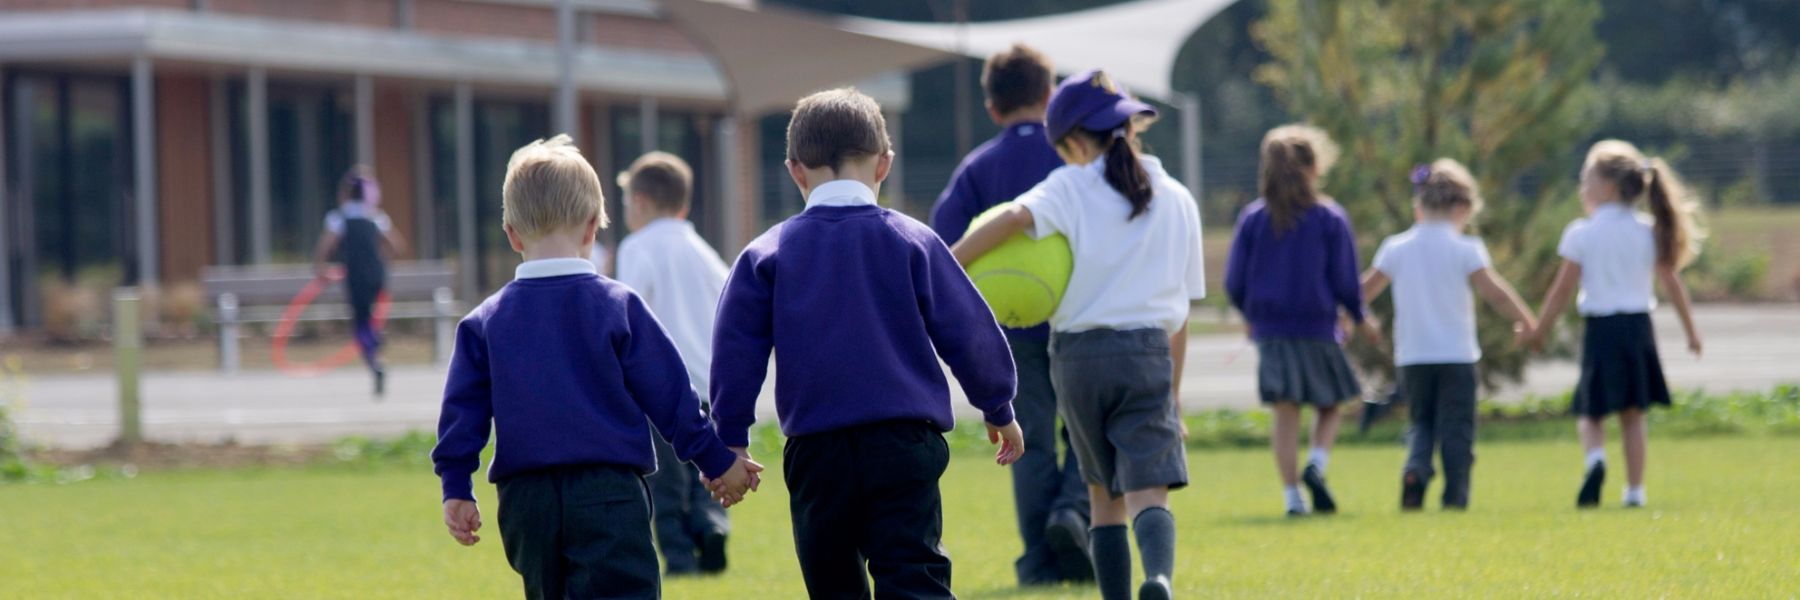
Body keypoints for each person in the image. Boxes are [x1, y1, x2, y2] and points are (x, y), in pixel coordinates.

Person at [709, 88, 1024, 600]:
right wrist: (997, 403)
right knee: (913, 573)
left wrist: (732, 438)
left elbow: (735, 348)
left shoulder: (767, 253)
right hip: (904, 443)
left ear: (795, 171)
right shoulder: (913, 241)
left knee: (832, 580)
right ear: (885, 165)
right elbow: (967, 327)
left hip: (817, 449)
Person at [430, 135, 760, 599]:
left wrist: (456, 486)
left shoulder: (484, 322)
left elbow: (461, 417)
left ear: (511, 233)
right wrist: (717, 460)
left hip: (526, 501)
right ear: (592, 229)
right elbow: (670, 396)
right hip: (607, 492)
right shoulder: (617, 306)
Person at [953, 69, 1205, 600]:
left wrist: (949, 265)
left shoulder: (1069, 184)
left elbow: (1011, 221)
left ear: (1069, 141)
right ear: (1128, 127)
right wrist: (1174, 397)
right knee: (1148, 489)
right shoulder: (1178, 197)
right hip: (1149, 354)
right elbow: (1180, 314)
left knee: (1101, 494)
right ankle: (1157, 578)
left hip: (1079, 356)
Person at [928, 43, 1093, 586]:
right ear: (1050, 98)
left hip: (1010, 329)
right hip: (1079, 318)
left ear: (992, 107)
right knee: (1094, 432)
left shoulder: (976, 167)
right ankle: (1074, 511)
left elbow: (940, 246)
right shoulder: (1074, 158)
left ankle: (1039, 563)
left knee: (1031, 440)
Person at [1520, 139, 1703, 509]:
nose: (1581, 188)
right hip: (1638, 330)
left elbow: (1560, 292)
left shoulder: (1581, 233)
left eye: (1586, 180)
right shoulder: (1648, 231)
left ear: (1606, 187)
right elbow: (1672, 284)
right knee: (1633, 417)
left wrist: (1539, 330)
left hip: (1600, 329)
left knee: (1590, 412)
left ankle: (1596, 459)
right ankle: (1634, 492)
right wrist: (1691, 332)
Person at [1360, 159, 1536, 511]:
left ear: (1419, 206)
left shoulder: (1396, 247)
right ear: (1462, 207)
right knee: (1456, 428)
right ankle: (1455, 496)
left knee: (1421, 422)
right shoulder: (1466, 249)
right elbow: (1495, 292)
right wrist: (1525, 320)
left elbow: (1361, 291)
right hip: (1457, 355)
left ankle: (1415, 470)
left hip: (1413, 357)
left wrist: (1358, 320)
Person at [1223, 124, 1377, 518]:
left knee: (1285, 412)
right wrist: (1360, 316)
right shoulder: (1329, 217)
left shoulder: (1253, 218)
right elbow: (1345, 278)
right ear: (1313, 167)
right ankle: (1318, 463)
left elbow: (1234, 281)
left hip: (1272, 331)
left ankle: (1293, 496)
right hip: (1318, 327)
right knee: (1332, 403)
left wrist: (1250, 315)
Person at [612, 151, 734, 576]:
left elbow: (627, 311)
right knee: (707, 473)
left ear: (641, 203)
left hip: (658, 390)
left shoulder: (636, 247)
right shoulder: (702, 250)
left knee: (664, 482)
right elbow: (730, 305)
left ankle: (680, 558)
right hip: (707, 385)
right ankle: (712, 526)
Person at [312, 166, 405, 396]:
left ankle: (375, 355)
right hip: (377, 275)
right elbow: (397, 246)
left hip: (356, 277)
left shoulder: (339, 218)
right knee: (370, 320)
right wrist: (381, 259)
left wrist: (321, 269)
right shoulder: (375, 217)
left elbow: (325, 248)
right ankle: (376, 344)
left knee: (360, 325)